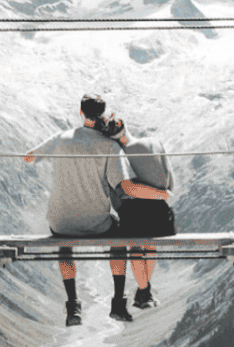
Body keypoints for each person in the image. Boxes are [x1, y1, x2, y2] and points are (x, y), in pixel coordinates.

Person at [24, 94, 170, 327]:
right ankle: (118, 305)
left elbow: (28, 157)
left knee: (63, 240)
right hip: (96, 223)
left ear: (81, 112)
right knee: (119, 239)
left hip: (61, 221)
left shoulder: (61, 138)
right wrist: (160, 194)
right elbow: (127, 187)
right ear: (102, 114)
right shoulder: (110, 146)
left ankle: (73, 306)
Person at [107, 117, 175, 309]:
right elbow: (170, 183)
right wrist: (160, 194)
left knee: (136, 247)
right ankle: (144, 291)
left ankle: (144, 291)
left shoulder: (118, 155)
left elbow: (126, 190)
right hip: (162, 214)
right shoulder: (155, 142)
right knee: (150, 246)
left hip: (135, 214)